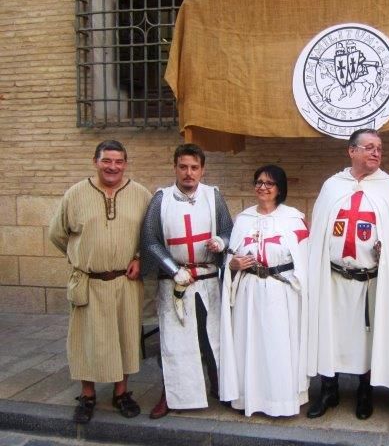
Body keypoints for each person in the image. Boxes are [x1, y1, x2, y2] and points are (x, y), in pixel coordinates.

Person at [48, 140, 151, 424]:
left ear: (125, 163)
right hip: (89, 282)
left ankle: (121, 393)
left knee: (125, 337)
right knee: (85, 340)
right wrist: (79, 257)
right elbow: (57, 234)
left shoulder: (141, 194)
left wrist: (140, 257)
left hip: (125, 282)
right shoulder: (75, 195)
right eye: (107, 160)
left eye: (118, 161)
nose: (112, 167)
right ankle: (88, 394)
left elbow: (150, 234)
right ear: (95, 161)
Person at [307, 128, 389, 420]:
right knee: (330, 332)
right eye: (369, 147)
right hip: (334, 278)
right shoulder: (332, 185)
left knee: (368, 337)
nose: (376, 152)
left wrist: (386, 248)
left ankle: (365, 392)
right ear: (352, 151)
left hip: (369, 280)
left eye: (379, 148)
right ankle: (329, 389)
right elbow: (320, 226)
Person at [140, 143, 233, 419]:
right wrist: (171, 268)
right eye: (183, 167)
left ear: (202, 170)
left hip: (207, 280)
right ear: (175, 168)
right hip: (176, 282)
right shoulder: (161, 198)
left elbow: (229, 230)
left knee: (212, 336)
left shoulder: (213, 196)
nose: (189, 173)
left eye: (194, 167)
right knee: (175, 341)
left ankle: (220, 387)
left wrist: (221, 241)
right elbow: (150, 241)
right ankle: (172, 395)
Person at [219, 165, 309, 417]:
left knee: (279, 346)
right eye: (258, 182)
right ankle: (250, 398)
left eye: (269, 183)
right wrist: (233, 265)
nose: (263, 187)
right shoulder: (243, 219)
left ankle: (281, 400)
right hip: (249, 291)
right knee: (250, 345)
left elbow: (305, 260)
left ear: (280, 188)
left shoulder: (294, 219)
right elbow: (229, 257)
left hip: (281, 292)